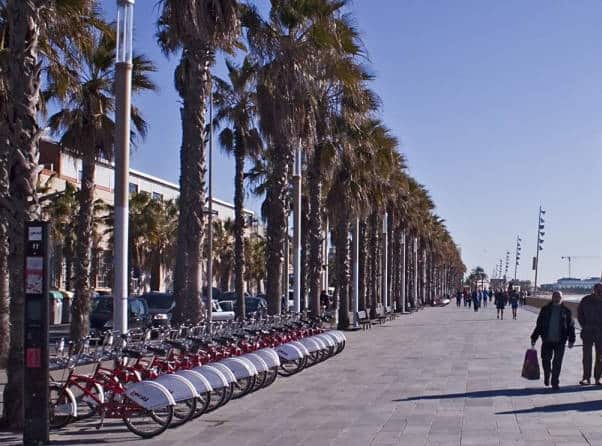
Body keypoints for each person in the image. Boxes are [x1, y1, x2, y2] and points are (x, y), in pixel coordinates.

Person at [531, 291, 575, 389]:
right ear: (552, 297)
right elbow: (539, 325)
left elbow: (571, 326)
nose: (557, 298)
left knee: (557, 362)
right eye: (555, 296)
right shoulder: (545, 309)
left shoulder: (566, 311)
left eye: (559, 296)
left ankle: (555, 382)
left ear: (562, 298)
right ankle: (547, 375)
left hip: (560, 341)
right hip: (547, 340)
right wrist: (534, 337)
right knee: (545, 360)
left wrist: (571, 340)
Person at [577, 283, 602, 385]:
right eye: (598, 289)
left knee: (600, 357)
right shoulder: (586, 300)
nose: (599, 292)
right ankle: (586, 377)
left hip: (601, 333)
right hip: (587, 331)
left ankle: (598, 378)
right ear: (594, 290)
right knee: (587, 356)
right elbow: (580, 314)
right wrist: (585, 325)